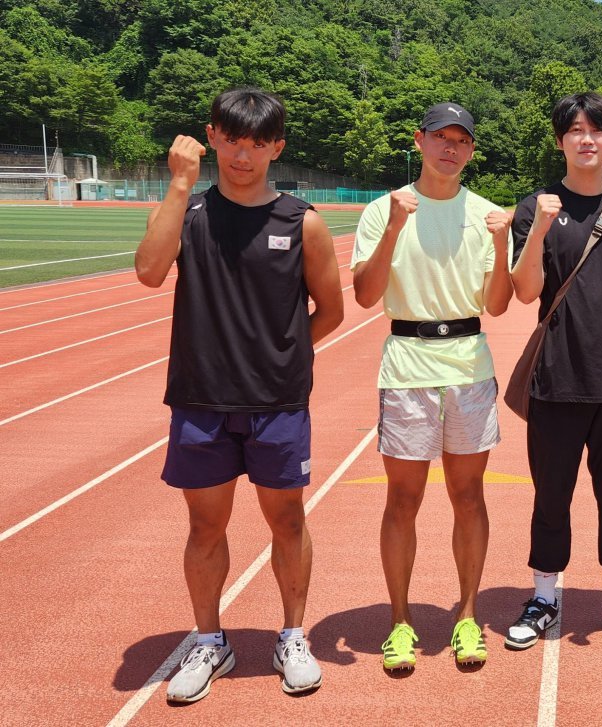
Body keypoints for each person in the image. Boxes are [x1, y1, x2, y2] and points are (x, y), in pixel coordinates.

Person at [136, 87, 343, 702]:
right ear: (211, 138)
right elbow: (149, 271)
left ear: (277, 147)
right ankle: (210, 641)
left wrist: (283, 357)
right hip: (200, 401)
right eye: (230, 141)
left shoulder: (302, 222)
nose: (242, 156)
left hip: (277, 403)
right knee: (205, 525)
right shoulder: (189, 213)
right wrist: (179, 184)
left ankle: (293, 637)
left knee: (288, 520)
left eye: (256, 144)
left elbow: (331, 311)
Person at [351, 102, 513, 671]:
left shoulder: (488, 215)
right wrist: (396, 227)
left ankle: (467, 616)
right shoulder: (383, 210)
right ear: (419, 140)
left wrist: (501, 246)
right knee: (403, 500)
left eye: (461, 140)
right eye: (440, 137)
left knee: (469, 497)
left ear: (471, 150)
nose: (450, 148)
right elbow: (365, 295)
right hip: (407, 368)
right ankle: (400, 622)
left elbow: (498, 305)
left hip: (469, 368)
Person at [506, 92, 602, 654]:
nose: (586, 139)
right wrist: (539, 230)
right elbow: (525, 292)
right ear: (560, 141)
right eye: (575, 130)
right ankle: (544, 596)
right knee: (552, 496)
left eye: (597, 130)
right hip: (555, 379)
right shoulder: (536, 208)